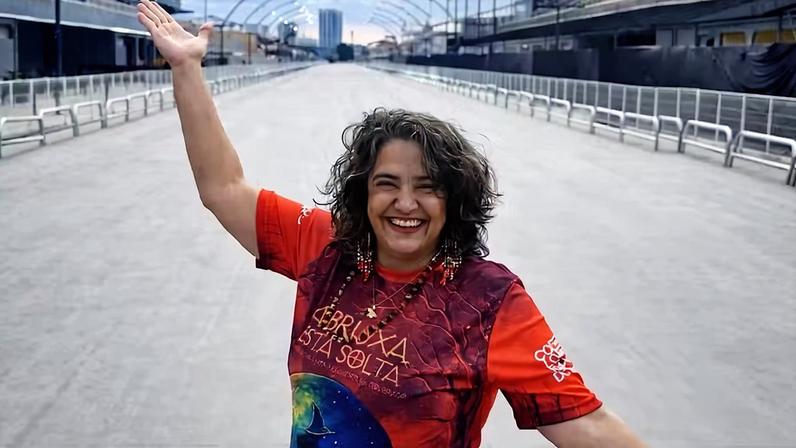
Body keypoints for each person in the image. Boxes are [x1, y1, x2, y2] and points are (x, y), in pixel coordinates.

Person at [136, 1, 647, 446]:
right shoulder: (325, 247)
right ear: (363, 191)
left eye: (428, 186)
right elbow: (222, 189)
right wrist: (186, 68)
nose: (406, 203)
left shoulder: (487, 301)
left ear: (455, 200)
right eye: (387, 183)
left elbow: (589, 425)